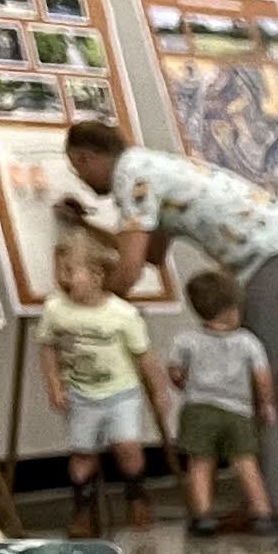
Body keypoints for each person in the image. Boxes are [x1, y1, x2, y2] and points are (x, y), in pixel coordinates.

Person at [52, 118, 278, 511]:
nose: (81, 180)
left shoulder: (132, 177)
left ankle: (268, 509)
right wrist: (85, 226)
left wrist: (90, 304)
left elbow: (129, 272)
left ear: (85, 157)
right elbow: (151, 254)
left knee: (252, 384)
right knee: (254, 383)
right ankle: (266, 503)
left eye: (77, 168)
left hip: (277, 261)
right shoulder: (149, 166)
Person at [41, 229, 172, 534]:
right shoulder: (55, 310)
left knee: (127, 447)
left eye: (72, 271)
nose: (64, 278)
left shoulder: (122, 314)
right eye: (60, 271)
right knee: (82, 453)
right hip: (81, 393)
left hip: (120, 393)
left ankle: (136, 496)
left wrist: (159, 390)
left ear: (98, 274)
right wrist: (54, 384)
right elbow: (48, 347)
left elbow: (144, 356)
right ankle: (82, 511)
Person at [166, 264, 277, 537]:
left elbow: (175, 373)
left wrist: (183, 384)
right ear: (231, 310)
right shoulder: (248, 342)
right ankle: (262, 512)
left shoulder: (186, 341)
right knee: (245, 461)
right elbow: (262, 378)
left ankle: (203, 515)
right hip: (238, 411)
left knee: (201, 463)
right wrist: (265, 404)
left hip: (198, 409)